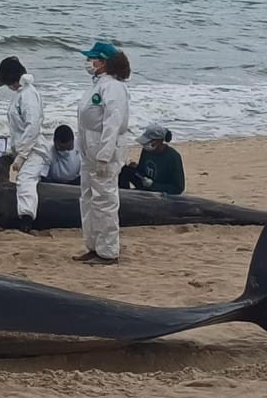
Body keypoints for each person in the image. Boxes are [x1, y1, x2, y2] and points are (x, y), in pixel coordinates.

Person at [75, 41, 132, 265]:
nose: (89, 62)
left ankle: (108, 251)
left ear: (104, 62)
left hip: (104, 149)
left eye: (93, 58)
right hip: (89, 148)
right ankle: (93, 245)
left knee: (105, 199)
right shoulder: (97, 85)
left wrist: (104, 155)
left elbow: (113, 122)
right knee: (88, 198)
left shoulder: (113, 88)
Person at [0, 56, 47, 232]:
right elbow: (17, 130)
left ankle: (26, 220)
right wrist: (13, 151)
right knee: (23, 179)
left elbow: (32, 126)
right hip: (24, 147)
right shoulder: (20, 95)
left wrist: (23, 154)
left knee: (26, 181)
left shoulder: (28, 96)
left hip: (34, 149)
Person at [119, 124, 186, 195]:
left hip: (160, 192)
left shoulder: (173, 157)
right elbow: (142, 170)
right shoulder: (146, 150)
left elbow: (178, 188)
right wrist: (135, 168)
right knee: (124, 169)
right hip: (145, 183)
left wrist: (153, 185)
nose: (145, 145)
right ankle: (123, 195)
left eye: (148, 142)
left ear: (159, 141)